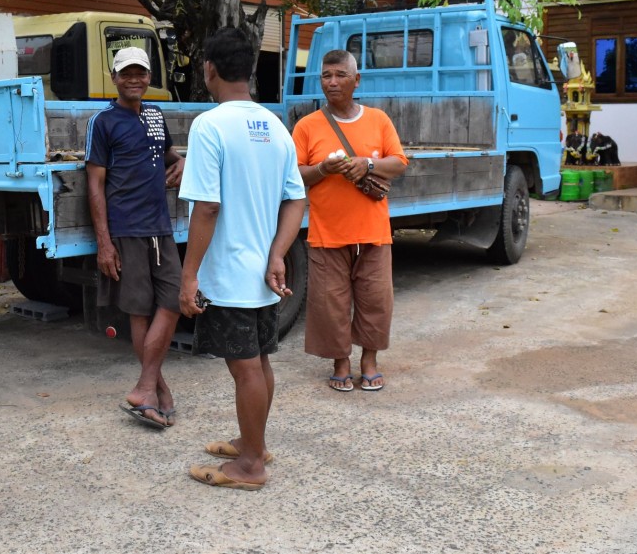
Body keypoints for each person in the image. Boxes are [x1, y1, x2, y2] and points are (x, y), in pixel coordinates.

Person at [178, 27, 306, 490]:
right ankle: (254, 443)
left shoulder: (210, 125)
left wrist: (188, 275)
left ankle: (250, 465)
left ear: (209, 70)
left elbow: (207, 207)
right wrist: (278, 254)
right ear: (249, 71)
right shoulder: (276, 126)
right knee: (260, 363)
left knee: (245, 367)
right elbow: (296, 200)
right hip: (262, 272)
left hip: (228, 273)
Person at [292, 49, 407, 394]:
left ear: (357, 80)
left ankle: (369, 362)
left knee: (376, 299)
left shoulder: (378, 120)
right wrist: (323, 169)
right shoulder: (307, 126)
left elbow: (399, 162)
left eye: (341, 75)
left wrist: (367, 165)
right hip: (327, 233)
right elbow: (295, 176)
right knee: (330, 303)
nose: (332, 82)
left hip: (373, 231)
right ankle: (340, 362)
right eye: (326, 76)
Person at [86, 45, 186, 430]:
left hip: (161, 225)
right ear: (114, 78)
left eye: (140, 73)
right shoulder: (104, 122)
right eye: (126, 73)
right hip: (127, 229)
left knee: (175, 298)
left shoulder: (157, 115)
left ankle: (146, 385)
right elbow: (95, 185)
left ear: (149, 78)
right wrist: (105, 242)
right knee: (139, 309)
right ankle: (155, 389)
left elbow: (169, 155)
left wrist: (182, 163)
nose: (134, 79)